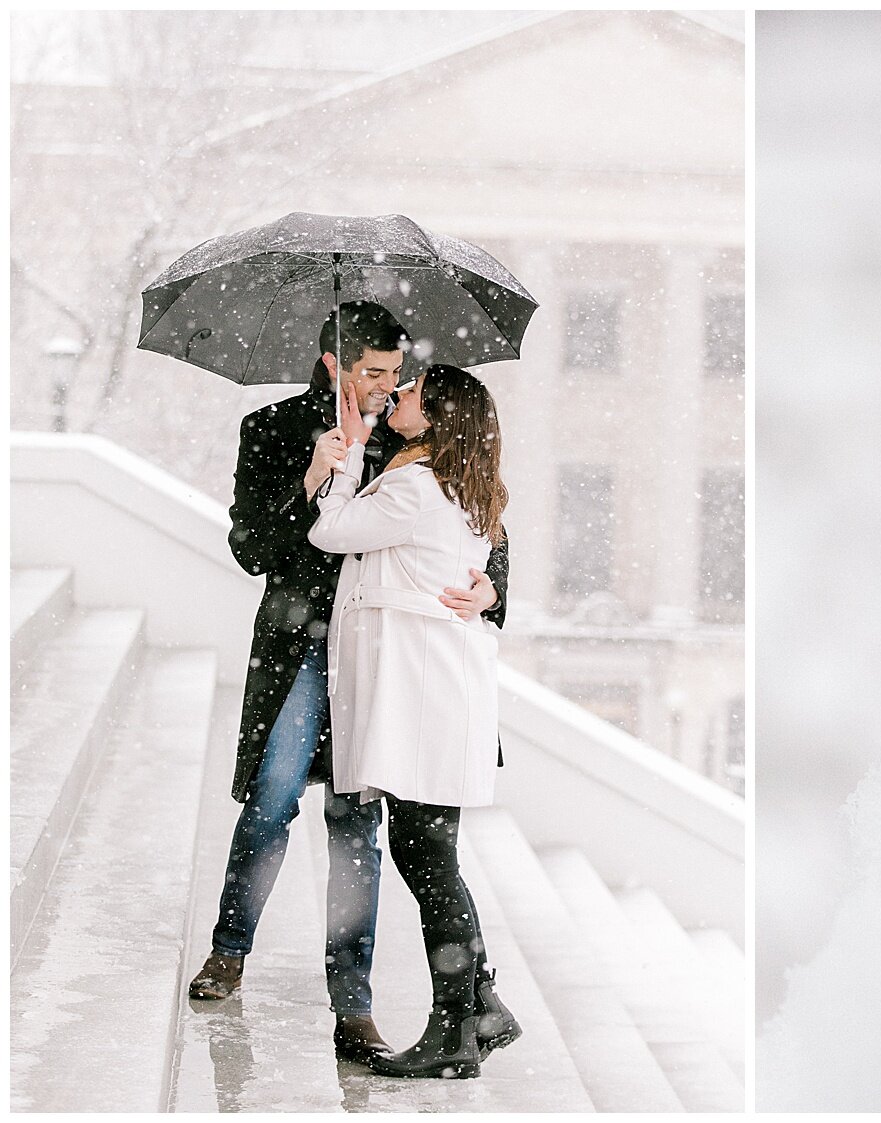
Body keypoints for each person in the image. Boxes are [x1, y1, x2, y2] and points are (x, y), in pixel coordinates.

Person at [188, 303, 511, 1068]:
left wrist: (491, 591)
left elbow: (488, 530)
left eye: (397, 377)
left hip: (390, 660)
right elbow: (253, 547)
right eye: (372, 373)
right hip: (304, 648)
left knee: (356, 826)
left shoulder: (421, 441)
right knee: (270, 801)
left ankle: (354, 1005)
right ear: (334, 364)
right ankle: (230, 950)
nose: (386, 387)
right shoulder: (271, 429)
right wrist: (314, 475)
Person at [306, 363, 520, 1079]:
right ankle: (477, 1001)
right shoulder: (464, 486)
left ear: (435, 414)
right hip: (441, 691)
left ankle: (455, 1029)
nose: (397, 395)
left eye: (411, 389)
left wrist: (338, 466)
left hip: (423, 696)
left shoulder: (415, 484)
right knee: (432, 854)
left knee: (427, 858)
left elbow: (331, 533)